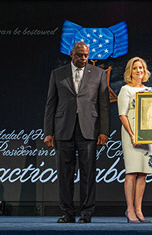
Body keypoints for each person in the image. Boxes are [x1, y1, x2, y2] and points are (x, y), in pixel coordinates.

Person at [43, 41, 110, 223]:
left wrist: (104, 131)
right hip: (63, 129)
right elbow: (51, 104)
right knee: (64, 174)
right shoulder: (58, 74)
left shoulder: (98, 73)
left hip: (89, 129)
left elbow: (103, 104)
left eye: (86, 55)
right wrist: (48, 132)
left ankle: (86, 213)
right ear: (71, 54)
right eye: (80, 55)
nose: (83, 58)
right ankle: (67, 212)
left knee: (88, 173)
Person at [118, 57, 152, 223]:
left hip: (147, 135)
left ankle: (139, 210)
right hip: (131, 134)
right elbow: (122, 114)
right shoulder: (125, 90)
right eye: (135, 68)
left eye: (141, 67)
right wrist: (133, 135)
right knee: (132, 172)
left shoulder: (150, 90)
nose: (139, 70)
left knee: (143, 173)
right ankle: (130, 210)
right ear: (130, 72)